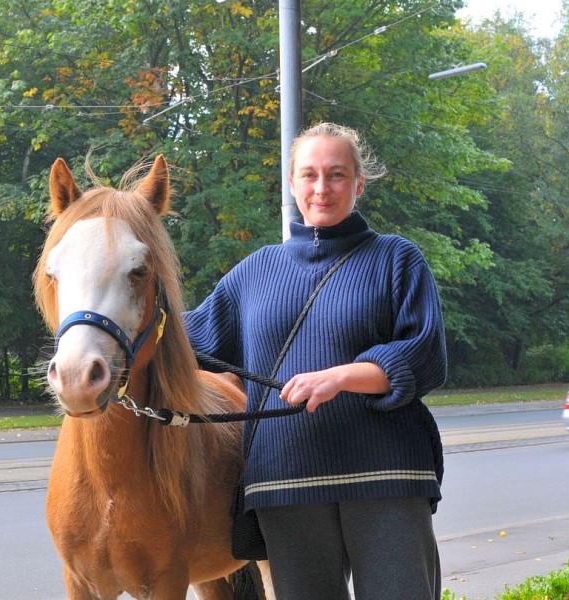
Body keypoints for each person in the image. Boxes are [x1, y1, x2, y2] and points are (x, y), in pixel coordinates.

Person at [184, 122, 447, 600]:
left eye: (337, 175)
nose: (321, 188)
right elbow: (188, 340)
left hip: (385, 476)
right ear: (291, 183)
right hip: (285, 481)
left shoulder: (396, 259)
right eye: (309, 175)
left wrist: (341, 377)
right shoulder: (254, 272)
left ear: (359, 184)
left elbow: (425, 353)